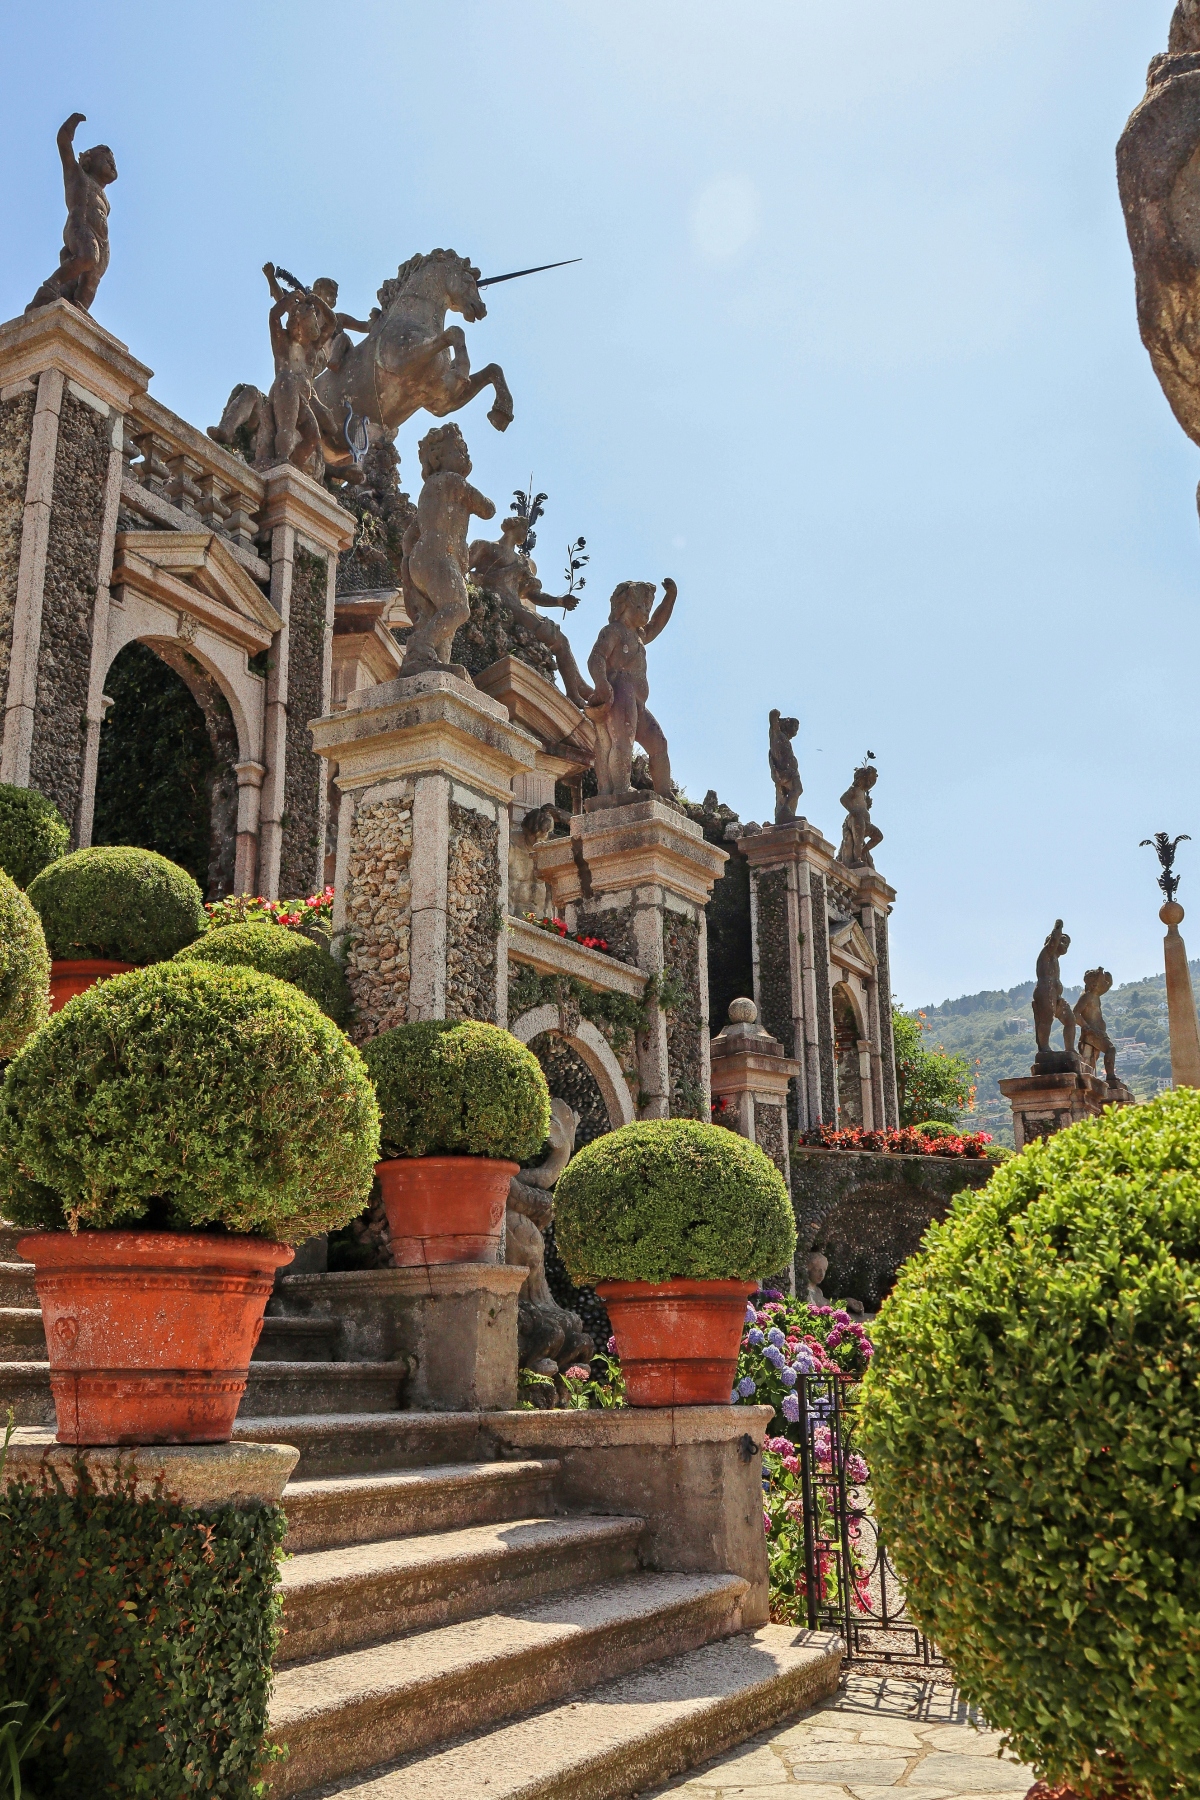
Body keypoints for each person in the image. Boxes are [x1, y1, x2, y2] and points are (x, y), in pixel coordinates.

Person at [585, 579, 677, 797]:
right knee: (622, 738)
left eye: (648, 607)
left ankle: (664, 791)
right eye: (641, 607)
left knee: (659, 744)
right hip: (620, 692)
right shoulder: (614, 630)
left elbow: (657, 623)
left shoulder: (640, 636)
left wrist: (670, 598)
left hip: (638, 702)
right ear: (624, 606)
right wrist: (601, 683)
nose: (646, 612)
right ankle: (620, 788)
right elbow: (596, 657)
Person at [28, 114, 117, 313]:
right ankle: (52, 283)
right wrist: (71, 123)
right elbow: (63, 143)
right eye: (105, 156)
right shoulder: (76, 175)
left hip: (102, 239)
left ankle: (78, 307)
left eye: (114, 162)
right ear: (88, 160)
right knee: (88, 257)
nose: (112, 162)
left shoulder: (105, 198)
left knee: (91, 280)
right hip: (80, 226)